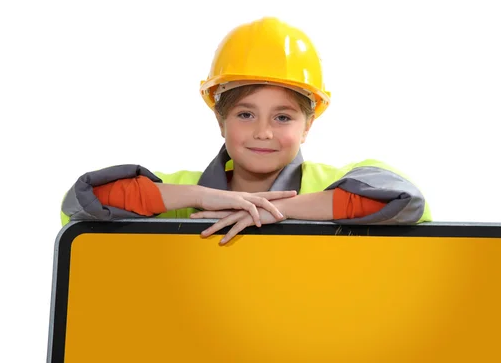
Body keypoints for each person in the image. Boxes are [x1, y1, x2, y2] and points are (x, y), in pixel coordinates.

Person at [60, 17, 431, 245]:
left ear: (309, 125)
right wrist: (199, 196)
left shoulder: (334, 182)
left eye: (283, 118)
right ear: (221, 120)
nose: (264, 133)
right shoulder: (180, 194)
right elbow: (83, 200)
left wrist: (278, 211)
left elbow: (405, 200)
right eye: (245, 115)